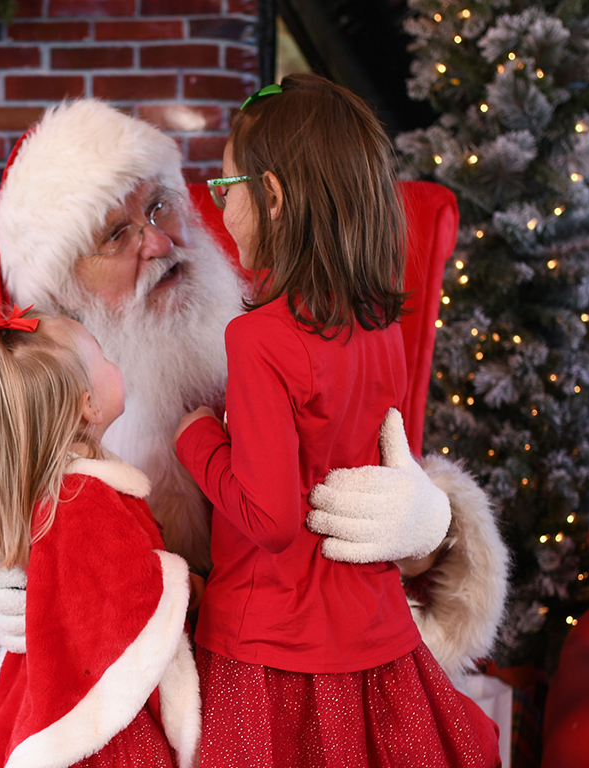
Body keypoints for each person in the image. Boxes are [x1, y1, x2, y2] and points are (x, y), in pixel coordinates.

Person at [0, 96, 509, 768]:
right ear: (66, 286)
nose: (158, 242)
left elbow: (366, 470)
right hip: (129, 665)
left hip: (259, 650)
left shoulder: (273, 325)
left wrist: (434, 524)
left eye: (158, 207)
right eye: (115, 235)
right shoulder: (32, 391)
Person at [173, 74, 501, 766]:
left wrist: (198, 440)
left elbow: (271, 518)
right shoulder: (380, 323)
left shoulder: (256, 340)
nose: (219, 210)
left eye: (225, 189)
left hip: (269, 649)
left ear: (275, 198)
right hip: (375, 638)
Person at [0, 308, 200, 768]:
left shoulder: (63, 490)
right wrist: (188, 583)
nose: (113, 360)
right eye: (102, 354)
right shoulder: (83, 497)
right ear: (89, 404)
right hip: (98, 727)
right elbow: (126, 602)